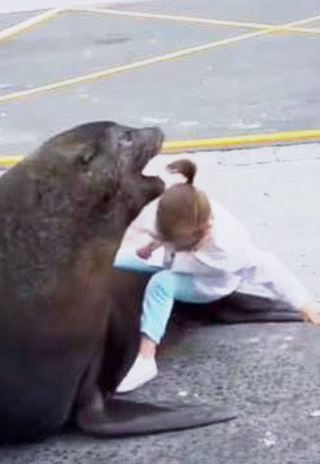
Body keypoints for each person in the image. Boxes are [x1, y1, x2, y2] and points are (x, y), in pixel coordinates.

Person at [114, 159, 320, 393]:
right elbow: (166, 231)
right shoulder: (181, 208)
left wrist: (303, 303)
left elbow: (267, 269)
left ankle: (146, 357)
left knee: (161, 284)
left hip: (210, 283)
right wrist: (150, 248)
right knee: (116, 260)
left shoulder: (229, 246)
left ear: (208, 229)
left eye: (189, 244)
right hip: (175, 262)